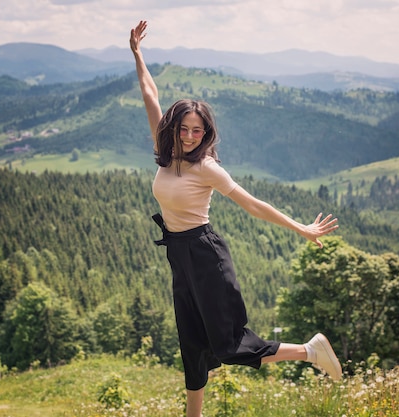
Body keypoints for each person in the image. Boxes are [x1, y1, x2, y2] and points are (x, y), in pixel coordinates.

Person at [130, 20, 342, 417]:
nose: (190, 136)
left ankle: (310, 351)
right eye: (184, 129)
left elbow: (253, 204)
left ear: (205, 134)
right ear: (173, 128)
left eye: (198, 131)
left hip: (205, 255)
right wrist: (138, 54)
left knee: (229, 345)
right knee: (191, 345)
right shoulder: (165, 147)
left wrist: (302, 229)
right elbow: (149, 94)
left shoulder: (206, 168)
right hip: (178, 255)